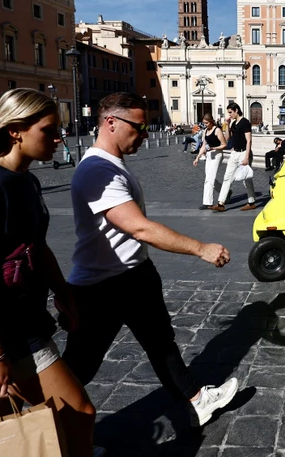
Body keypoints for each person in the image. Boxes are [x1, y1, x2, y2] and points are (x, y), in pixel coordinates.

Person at [63, 92, 238, 428]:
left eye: (145, 129)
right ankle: (38, 429)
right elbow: (139, 227)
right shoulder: (97, 170)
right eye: (138, 128)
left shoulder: (111, 163)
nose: (143, 135)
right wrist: (201, 248)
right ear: (110, 122)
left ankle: (197, 401)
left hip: (133, 274)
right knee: (79, 367)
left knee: (160, 343)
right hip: (102, 285)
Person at [0, 88, 96, 456]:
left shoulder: (25, 180)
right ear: (16, 130)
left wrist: (63, 293)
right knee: (79, 412)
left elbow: (36, 246)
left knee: (4, 423)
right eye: (49, 130)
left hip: (26, 317)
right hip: (6, 330)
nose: (59, 138)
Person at [212, 103, 256, 212]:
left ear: (236, 110)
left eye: (231, 112)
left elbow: (249, 140)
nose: (229, 115)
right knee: (227, 177)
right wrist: (227, 125)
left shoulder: (245, 122)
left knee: (247, 180)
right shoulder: (233, 123)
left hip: (244, 153)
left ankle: (251, 202)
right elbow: (228, 138)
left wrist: (246, 157)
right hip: (234, 153)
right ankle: (221, 203)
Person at [193, 113, 227, 210]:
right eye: (204, 123)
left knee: (209, 179)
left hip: (217, 154)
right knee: (209, 177)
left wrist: (213, 148)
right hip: (209, 155)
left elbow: (224, 144)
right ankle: (225, 192)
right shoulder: (205, 131)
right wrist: (197, 157)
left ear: (211, 121)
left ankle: (208, 202)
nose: (205, 125)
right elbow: (204, 145)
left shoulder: (217, 130)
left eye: (207, 123)